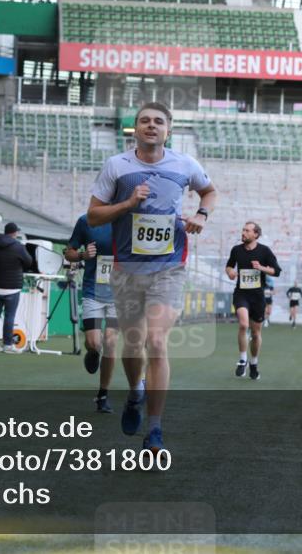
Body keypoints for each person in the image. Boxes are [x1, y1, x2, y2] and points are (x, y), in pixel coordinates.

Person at [88, 101, 217, 456]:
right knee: (133, 344)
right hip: (127, 271)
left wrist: (202, 215)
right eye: (144, 121)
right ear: (135, 129)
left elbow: (209, 190)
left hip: (169, 267)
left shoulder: (184, 164)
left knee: (156, 342)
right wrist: (127, 205)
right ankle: (134, 393)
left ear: (168, 130)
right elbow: (94, 216)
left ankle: (155, 430)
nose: (151, 126)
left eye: (158, 121)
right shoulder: (117, 165)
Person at [65, 213, 119, 413]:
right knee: (95, 343)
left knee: (111, 342)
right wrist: (82, 256)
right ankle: (92, 352)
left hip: (119, 293)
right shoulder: (86, 221)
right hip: (93, 292)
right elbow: (68, 252)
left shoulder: (130, 219)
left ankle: (103, 395)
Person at [226, 222, 281, 380]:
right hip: (241, 294)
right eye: (243, 229)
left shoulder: (264, 251)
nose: (243, 232)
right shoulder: (236, 250)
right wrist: (230, 272)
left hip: (258, 297)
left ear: (255, 234)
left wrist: (262, 268)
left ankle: (254, 363)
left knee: (256, 334)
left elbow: (276, 271)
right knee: (244, 324)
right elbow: (229, 266)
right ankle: (243, 360)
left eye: (247, 230)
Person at [0, 222, 34, 354]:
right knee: (9, 316)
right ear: (15, 233)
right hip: (13, 287)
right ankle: (7, 345)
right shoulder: (18, 246)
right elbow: (28, 261)